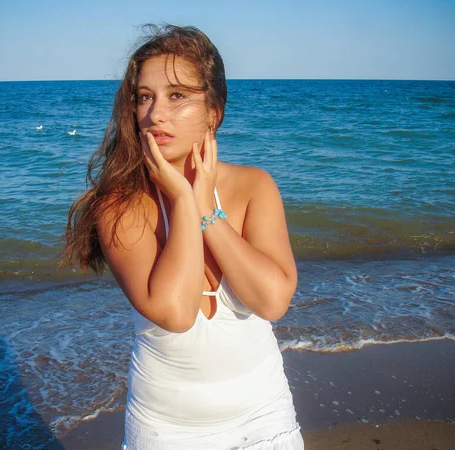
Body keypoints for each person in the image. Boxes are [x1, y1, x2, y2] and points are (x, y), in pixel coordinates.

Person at [63, 24, 303, 449]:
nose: (156, 114)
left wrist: (207, 208)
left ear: (213, 111)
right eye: (144, 97)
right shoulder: (121, 206)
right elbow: (175, 313)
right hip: (166, 429)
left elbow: (272, 300)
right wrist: (182, 199)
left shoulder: (253, 187)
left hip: (265, 416)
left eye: (177, 96)